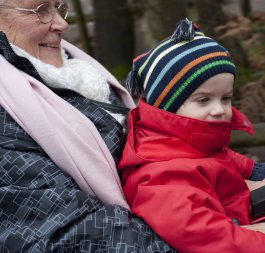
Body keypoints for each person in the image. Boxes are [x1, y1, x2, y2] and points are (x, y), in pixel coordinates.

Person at [0, 0, 176, 252]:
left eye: (59, 7)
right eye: (41, 10)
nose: (63, 24)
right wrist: (211, 239)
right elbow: (63, 234)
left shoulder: (79, 71)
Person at [118, 19, 265, 253]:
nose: (219, 109)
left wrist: (251, 170)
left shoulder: (188, 139)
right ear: (166, 106)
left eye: (225, 98)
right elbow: (198, 232)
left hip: (236, 213)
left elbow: (216, 157)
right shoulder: (161, 174)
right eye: (203, 99)